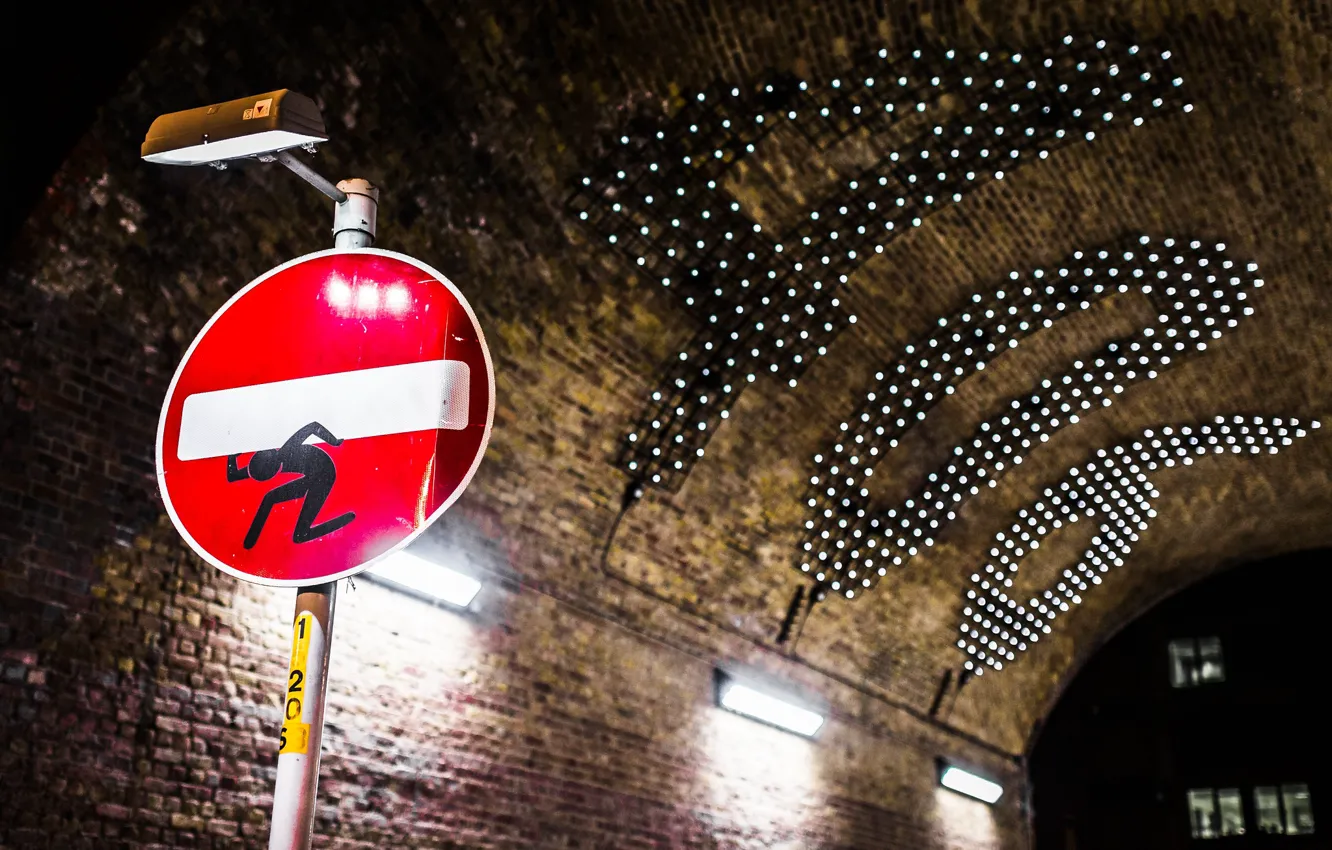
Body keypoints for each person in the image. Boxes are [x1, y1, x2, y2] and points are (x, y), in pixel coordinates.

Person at [227, 421, 356, 549]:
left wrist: (334, 441)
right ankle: (249, 543)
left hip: (325, 474)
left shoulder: (287, 449)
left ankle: (336, 524)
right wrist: (232, 457)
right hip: (310, 476)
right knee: (269, 498)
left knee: (300, 535)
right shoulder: (263, 466)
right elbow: (233, 476)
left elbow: (313, 426)